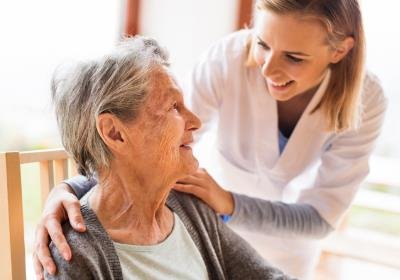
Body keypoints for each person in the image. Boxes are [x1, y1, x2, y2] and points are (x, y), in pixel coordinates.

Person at [34, 0, 386, 279]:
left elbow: (319, 218)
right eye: (261, 44)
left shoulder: (367, 100)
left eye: (294, 58)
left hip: (276, 246)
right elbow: (140, 145)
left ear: (339, 51)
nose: (266, 69)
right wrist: (68, 188)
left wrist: (227, 205)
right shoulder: (228, 60)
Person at [41, 36, 291, 280]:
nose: (195, 122)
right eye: (174, 107)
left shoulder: (190, 206)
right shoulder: (73, 256)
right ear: (114, 133)